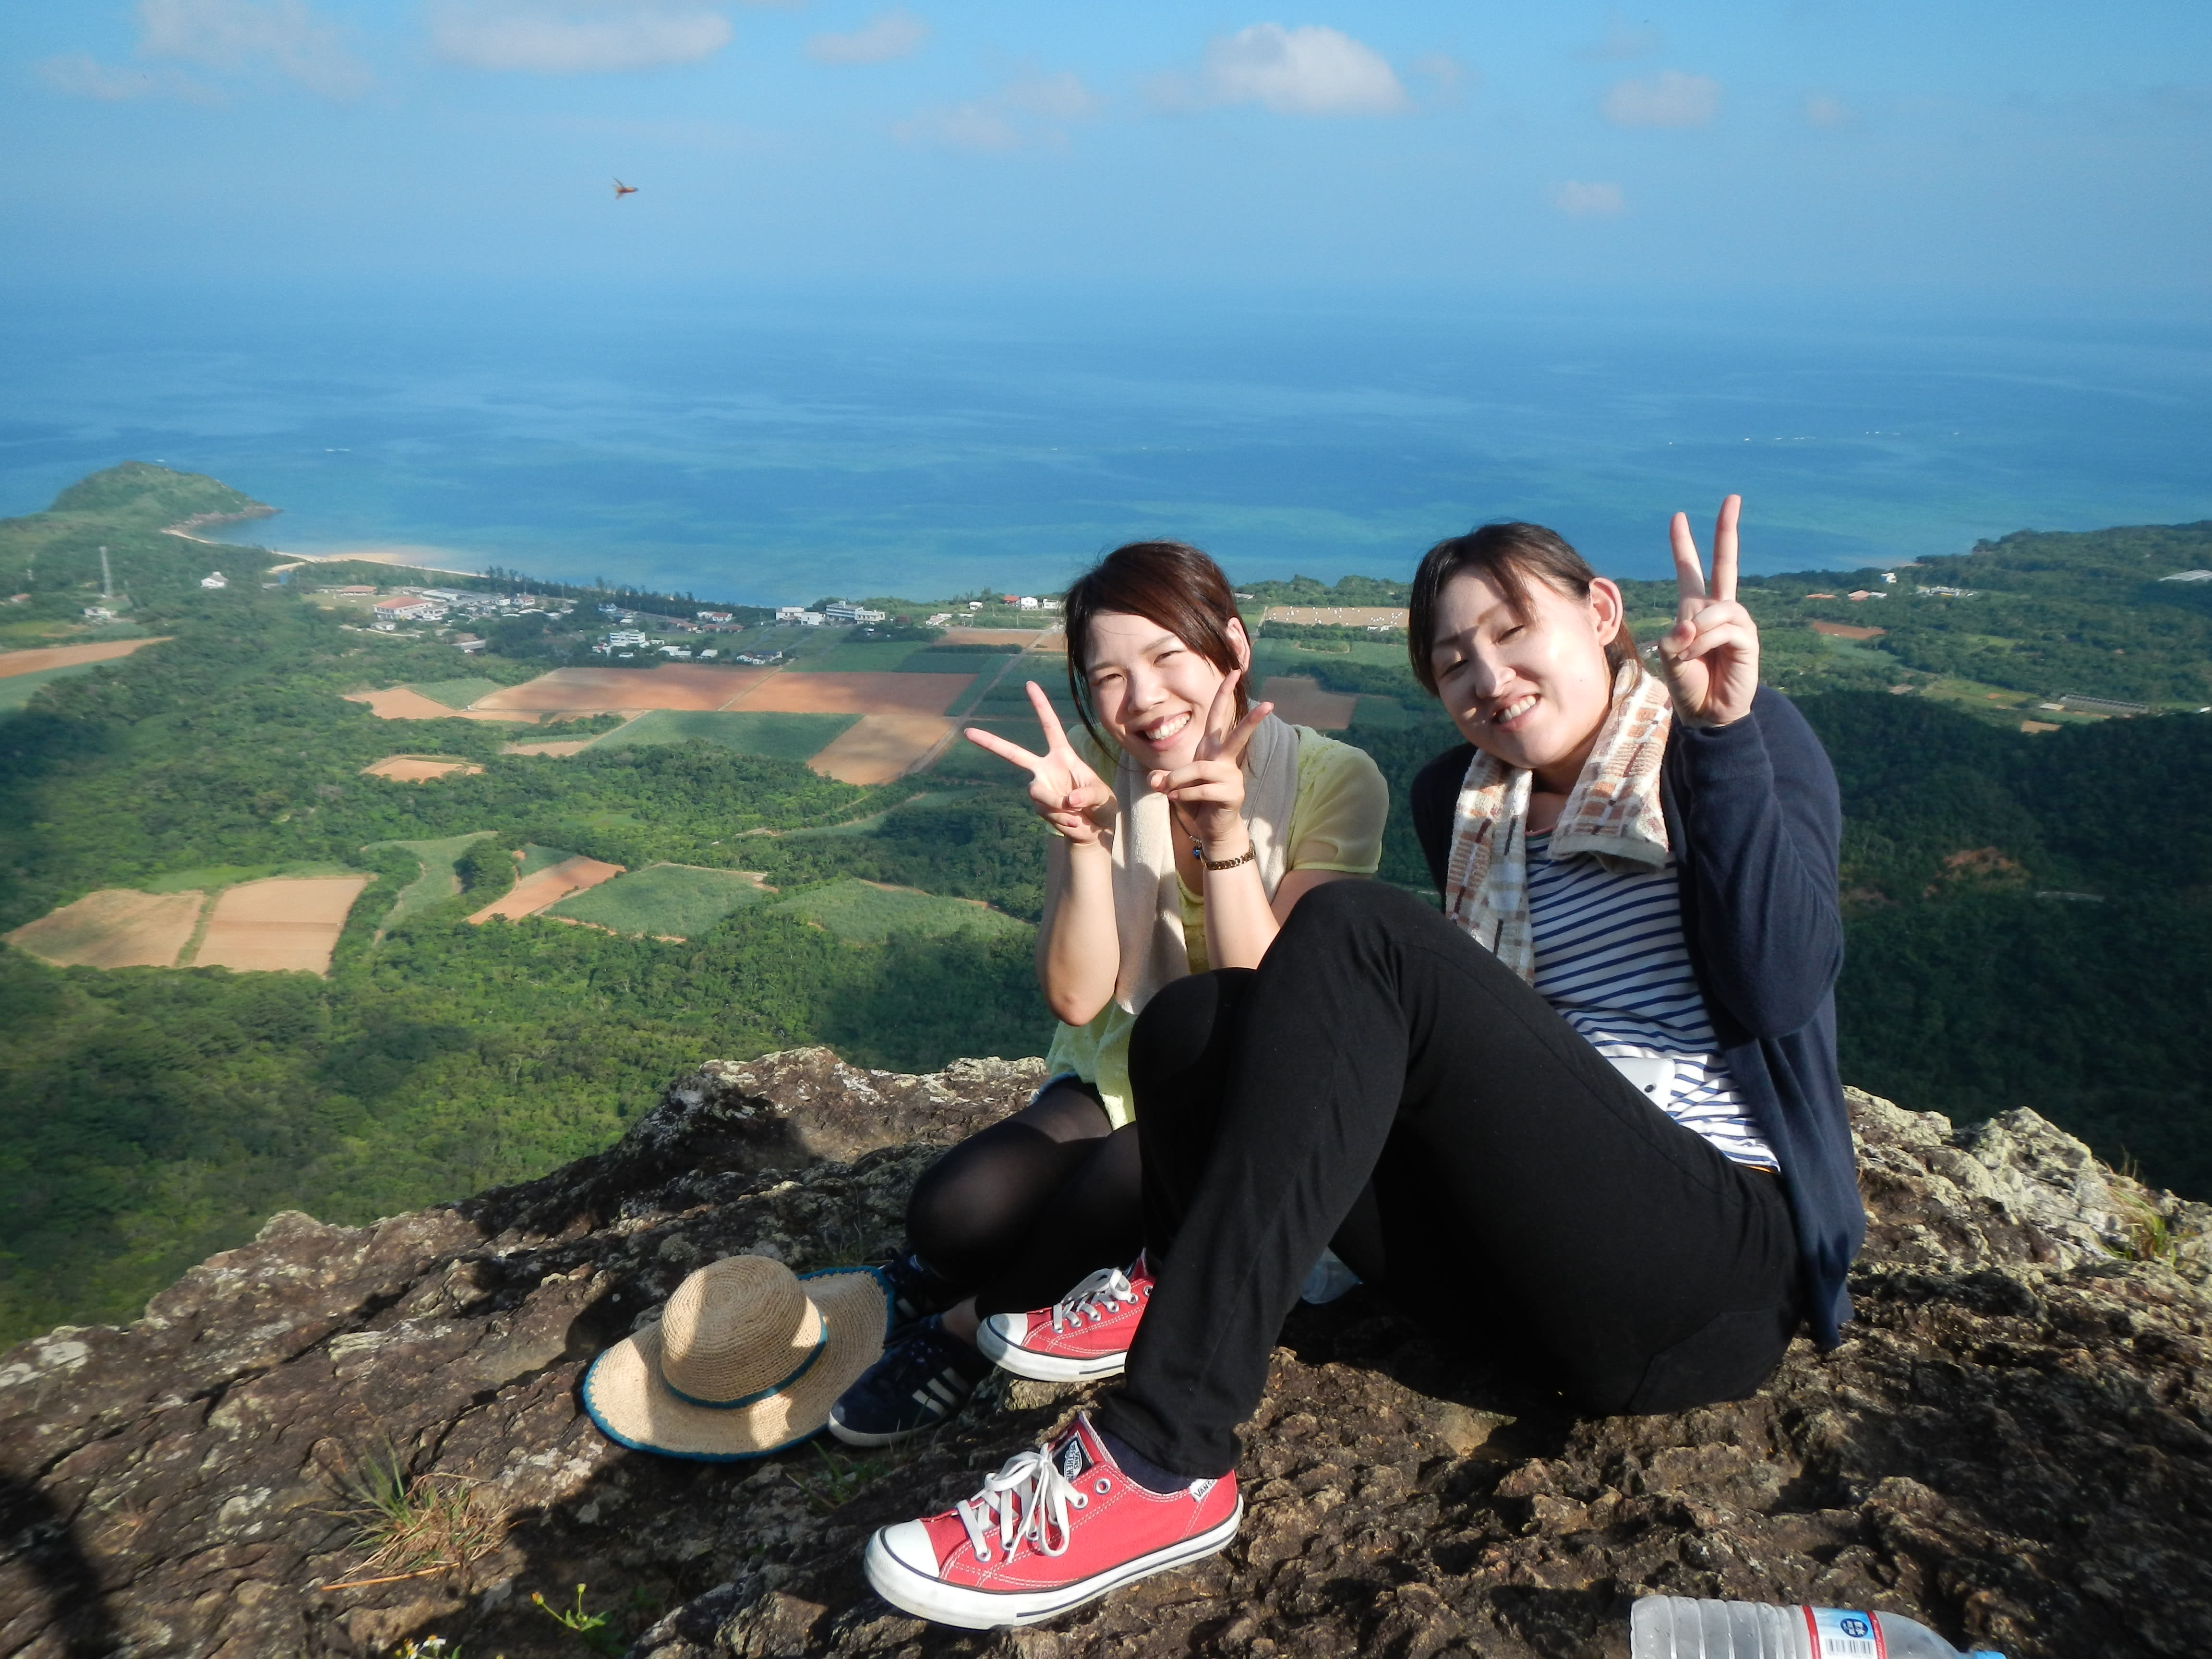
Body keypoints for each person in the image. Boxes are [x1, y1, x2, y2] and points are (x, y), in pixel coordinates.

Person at [860, 499, 1861, 1632]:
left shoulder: (1739, 738)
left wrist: (1723, 738)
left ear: (1603, 614)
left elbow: (1780, 988)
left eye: (1513, 632)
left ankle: (1160, 1455)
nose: (1489, 675)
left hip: (1703, 1273)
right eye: (1453, 660)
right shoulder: (1464, 799)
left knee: (1352, 928)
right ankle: (1187, 1280)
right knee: (1198, 1022)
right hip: (1531, 1277)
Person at [826, 540, 1388, 1448]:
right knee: (953, 1211)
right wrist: (1086, 842)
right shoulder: (1096, 772)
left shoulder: (1336, 781)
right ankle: (967, 1272)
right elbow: (1078, 1001)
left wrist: (1224, 832)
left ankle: (974, 1331)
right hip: (1114, 1073)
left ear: (1233, 649)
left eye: (1170, 656)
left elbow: (1271, 1001)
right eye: (1110, 677)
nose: (1145, 698)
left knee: (1117, 1182)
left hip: (1247, 1090)